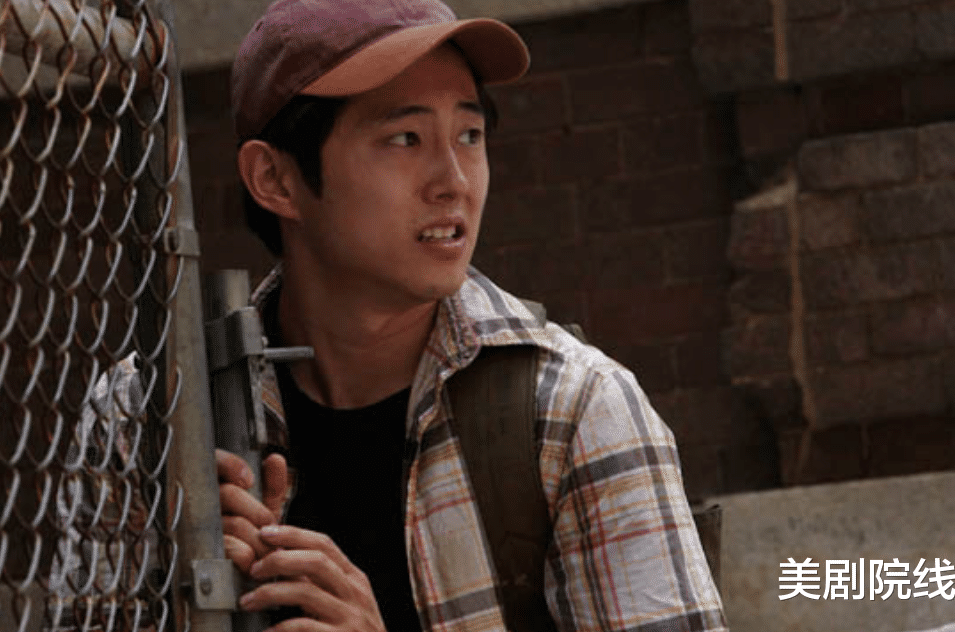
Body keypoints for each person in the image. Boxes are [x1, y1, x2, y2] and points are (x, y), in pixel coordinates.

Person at [213, 0, 730, 631]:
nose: (455, 182)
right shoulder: (160, 418)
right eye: (405, 139)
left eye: (470, 136)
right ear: (275, 178)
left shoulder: (573, 410)